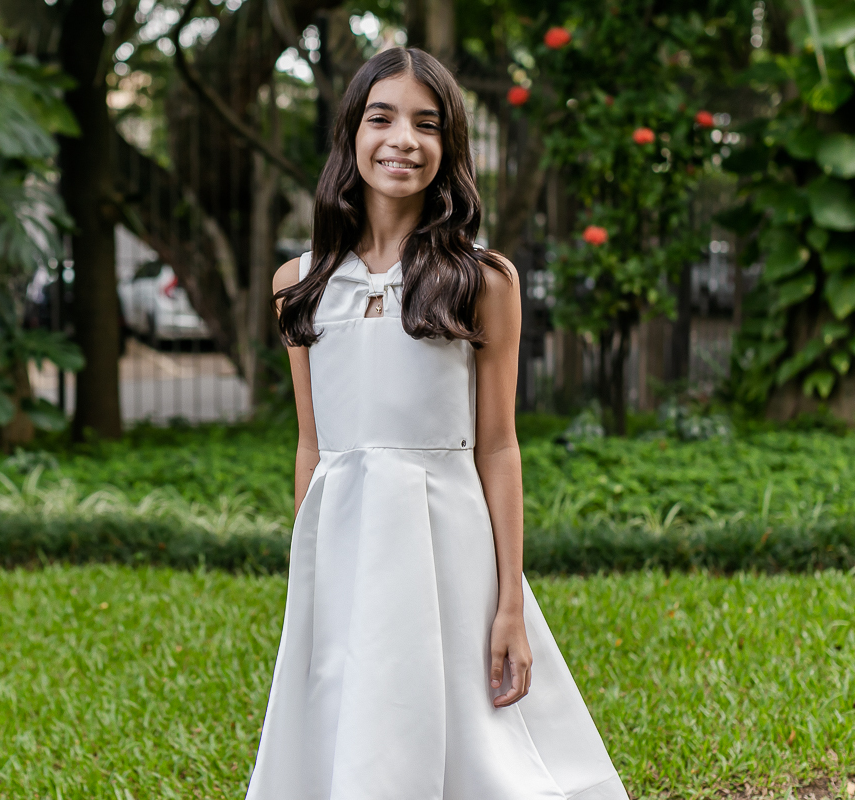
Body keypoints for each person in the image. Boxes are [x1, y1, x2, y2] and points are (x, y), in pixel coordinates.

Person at [245, 47, 628, 800]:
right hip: (347, 545)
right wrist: (312, 577)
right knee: (352, 721)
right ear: (352, 134)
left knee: (468, 734)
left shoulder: (483, 280)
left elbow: (498, 445)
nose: (403, 140)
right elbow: (313, 446)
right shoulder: (300, 284)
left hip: (451, 546)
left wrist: (509, 601)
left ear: (449, 147)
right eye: (381, 118)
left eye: (427, 124)